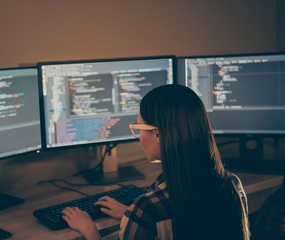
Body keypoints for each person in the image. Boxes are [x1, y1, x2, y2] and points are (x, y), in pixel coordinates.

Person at [61, 84, 250, 240]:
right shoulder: (233, 185)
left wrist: (90, 230)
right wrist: (131, 214)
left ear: (157, 133)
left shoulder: (147, 208)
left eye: (139, 128)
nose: (139, 137)